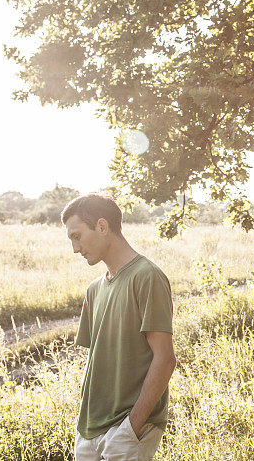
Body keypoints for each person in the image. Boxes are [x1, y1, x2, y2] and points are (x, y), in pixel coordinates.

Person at [61, 193, 176, 461]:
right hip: (88, 430)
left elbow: (165, 359)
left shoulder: (147, 276)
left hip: (126, 430)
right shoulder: (94, 289)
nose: (75, 249)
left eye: (77, 236)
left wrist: (129, 430)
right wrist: (84, 426)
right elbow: (97, 362)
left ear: (102, 226)